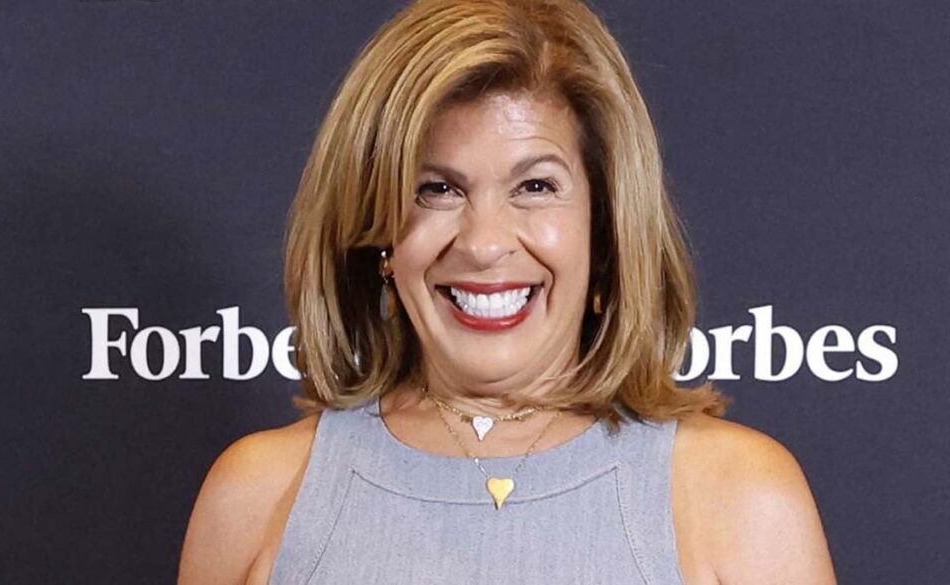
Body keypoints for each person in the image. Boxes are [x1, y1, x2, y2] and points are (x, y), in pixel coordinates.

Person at [178, 0, 838, 583]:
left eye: (535, 186)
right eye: (437, 189)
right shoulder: (255, 496)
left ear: (605, 224)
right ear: (379, 234)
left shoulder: (743, 499)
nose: (485, 243)